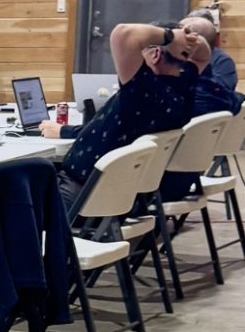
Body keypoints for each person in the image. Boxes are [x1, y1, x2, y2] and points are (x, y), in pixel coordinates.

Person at [54, 21, 211, 211]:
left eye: (142, 50)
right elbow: (204, 55)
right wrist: (188, 40)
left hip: (80, 196)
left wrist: (170, 37)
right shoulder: (182, 91)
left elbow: (123, 34)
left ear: (155, 54)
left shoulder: (142, 91)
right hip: (123, 203)